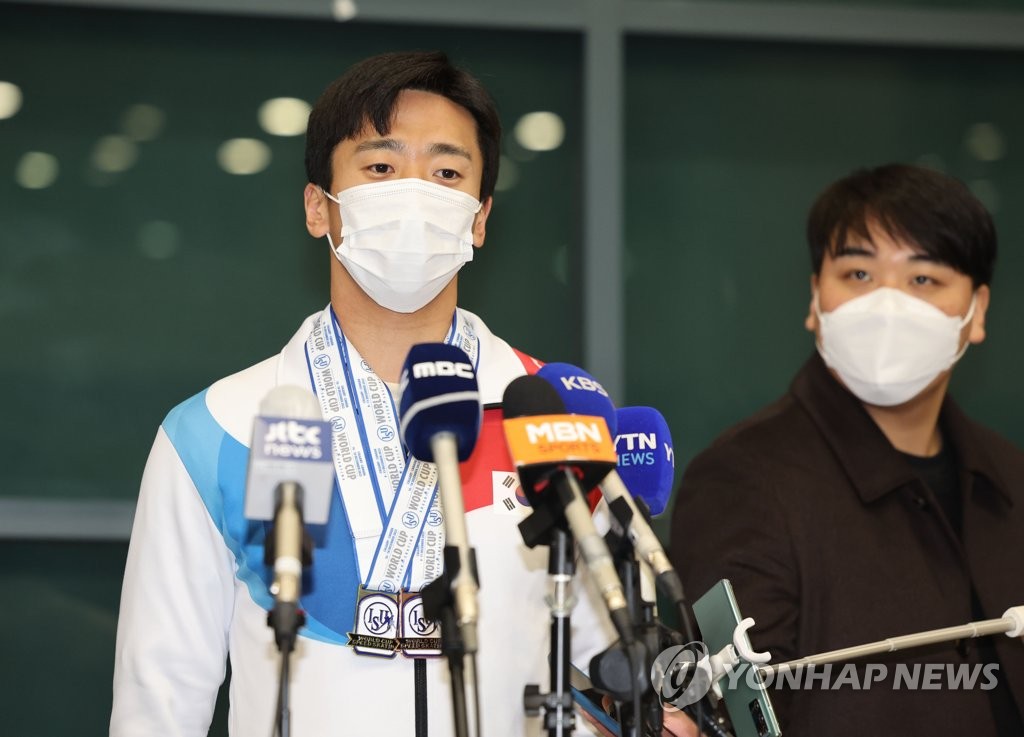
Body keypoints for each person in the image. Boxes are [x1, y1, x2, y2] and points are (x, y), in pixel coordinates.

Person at [110, 51, 620, 736]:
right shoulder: (215, 430)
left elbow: (612, 663)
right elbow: (159, 704)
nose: (415, 193)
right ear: (319, 207)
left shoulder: (552, 415)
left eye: (446, 173)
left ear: (479, 217)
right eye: (380, 168)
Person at [670, 164, 1024, 737]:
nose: (886, 306)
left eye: (923, 279)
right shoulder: (742, 480)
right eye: (858, 272)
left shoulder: (1011, 478)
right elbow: (737, 713)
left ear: (977, 311)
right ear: (815, 299)